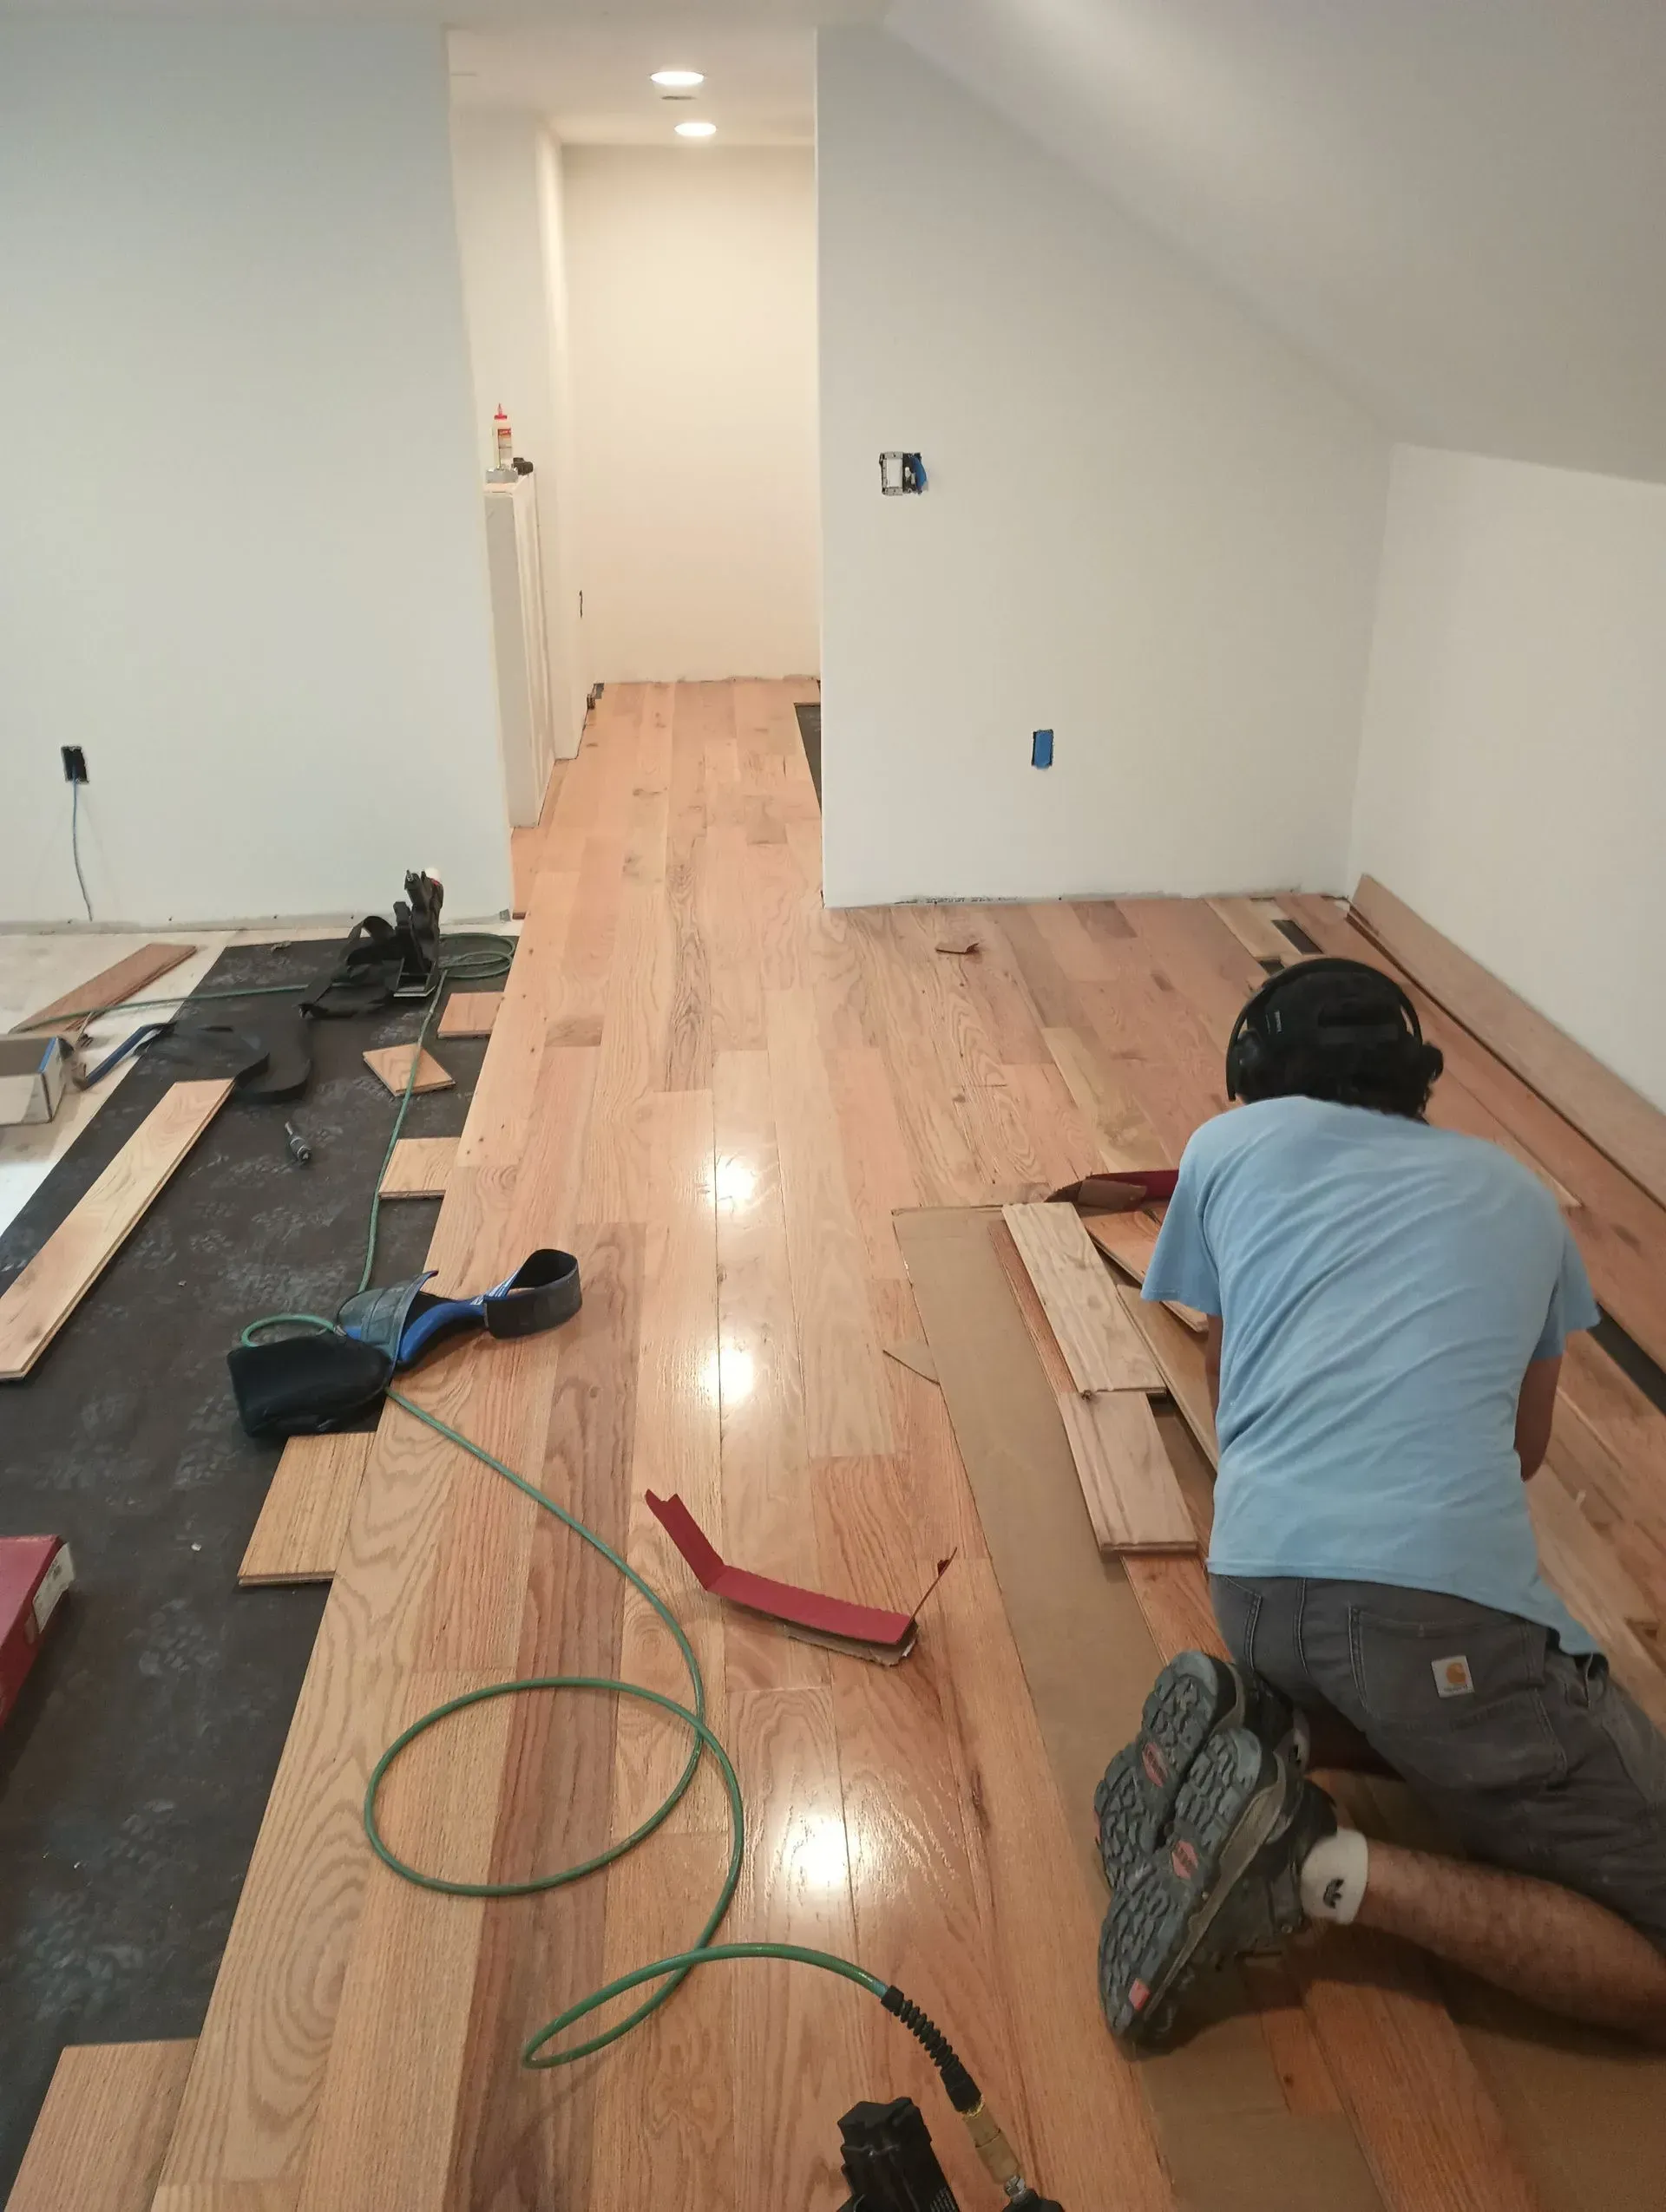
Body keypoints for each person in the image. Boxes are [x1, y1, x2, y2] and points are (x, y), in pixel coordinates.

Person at [1092, 957, 1666, 2048]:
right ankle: (1306, 1864)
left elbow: (1230, 1389)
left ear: (1258, 1080)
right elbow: (1524, 1448)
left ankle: (1270, 1722)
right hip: (1426, 1622)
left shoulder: (1224, 1151)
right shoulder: (1520, 1199)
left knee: (1409, 1693)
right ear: (1413, 1085)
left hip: (1254, 1593)